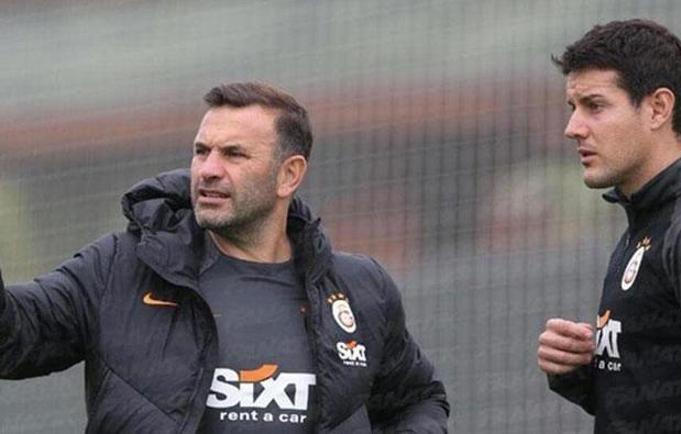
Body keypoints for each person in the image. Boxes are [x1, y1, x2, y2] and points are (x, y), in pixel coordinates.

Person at [0, 82, 449, 433]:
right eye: (202, 152)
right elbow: (13, 337)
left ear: (289, 175)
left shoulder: (359, 288)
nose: (208, 170)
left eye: (234, 154)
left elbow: (417, 401)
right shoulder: (120, 267)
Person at [537, 19, 681, 433]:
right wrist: (579, 372)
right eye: (574, 108)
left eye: (594, 106)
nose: (573, 128)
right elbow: (658, 403)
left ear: (658, 108)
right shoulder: (645, 225)